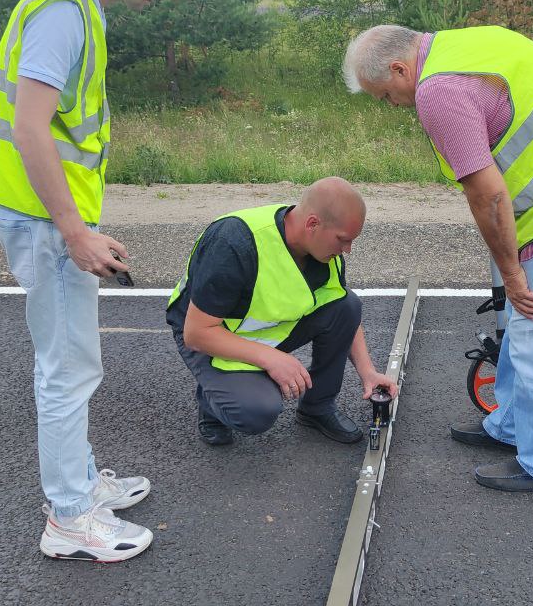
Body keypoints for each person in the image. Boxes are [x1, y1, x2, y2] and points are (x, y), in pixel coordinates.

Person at [0, 0, 187, 561]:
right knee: (67, 368)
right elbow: (32, 126)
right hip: (42, 218)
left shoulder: (76, 7)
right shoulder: (64, 13)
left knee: (71, 360)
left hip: (47, 213)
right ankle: (68, 517)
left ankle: (82, 481)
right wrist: (73, 231)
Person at [342, 24, 533, 493]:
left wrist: (511, 272)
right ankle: (508, 425)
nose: (392, 105)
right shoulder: (463, 43)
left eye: (385, 95)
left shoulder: (438, 92)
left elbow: (486, 196)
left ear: (400, 69)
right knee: (517, 319)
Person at [167, 177, 398, 446]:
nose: (347, 250)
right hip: (208, 333)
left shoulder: (322, 249)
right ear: (312, 223)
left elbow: (342, 308)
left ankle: (317, 408)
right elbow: (196, 333)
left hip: (261, 330)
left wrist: (368, 372)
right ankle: (212, 401)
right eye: (343, 240)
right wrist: (272, 359)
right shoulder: (234, 243)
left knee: (348, 305)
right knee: (256, 411)